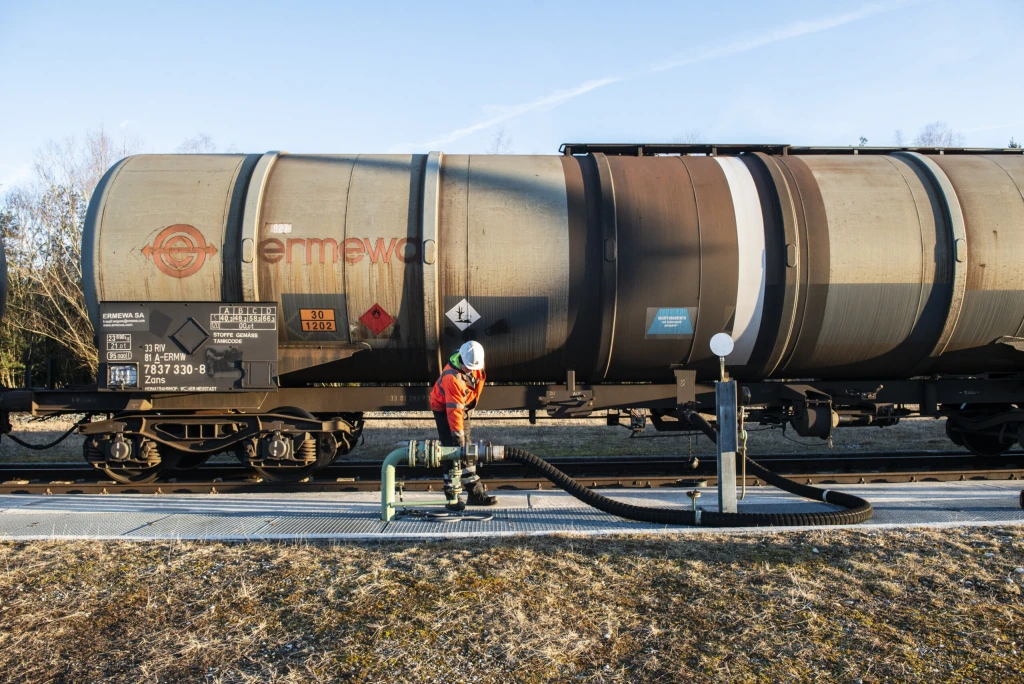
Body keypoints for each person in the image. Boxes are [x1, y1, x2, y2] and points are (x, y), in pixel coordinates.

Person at [428, 340, 498, 508]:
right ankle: (452, 498)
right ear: (462, 361)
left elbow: (472, 389)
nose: (472, 371)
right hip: (445, 410)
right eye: (469, 367)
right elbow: (454, 411)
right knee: (451, 451)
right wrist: (458, 436)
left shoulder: (474, 361)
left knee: (466, 452)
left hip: (462, 408)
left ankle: (474, 494)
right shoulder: (452, 377)